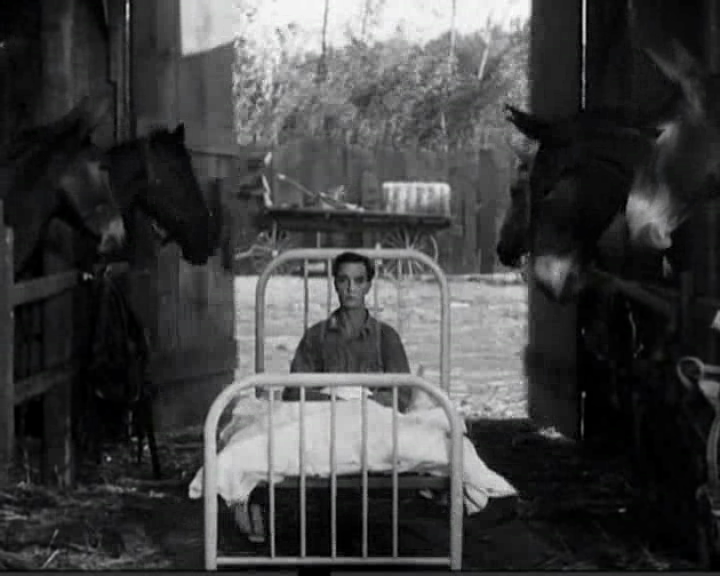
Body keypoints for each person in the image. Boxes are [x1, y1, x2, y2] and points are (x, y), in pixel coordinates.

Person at [282, 250, 413, 413]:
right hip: (324, 421)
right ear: (335, 284)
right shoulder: (315, 336)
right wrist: (338, 404)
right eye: (344, 280)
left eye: (359, 281)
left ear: (368, 286)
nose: (351, 288)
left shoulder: (386, 337)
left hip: (375, 423)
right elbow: (294, 392)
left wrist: (361, 406)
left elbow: (402, 394)